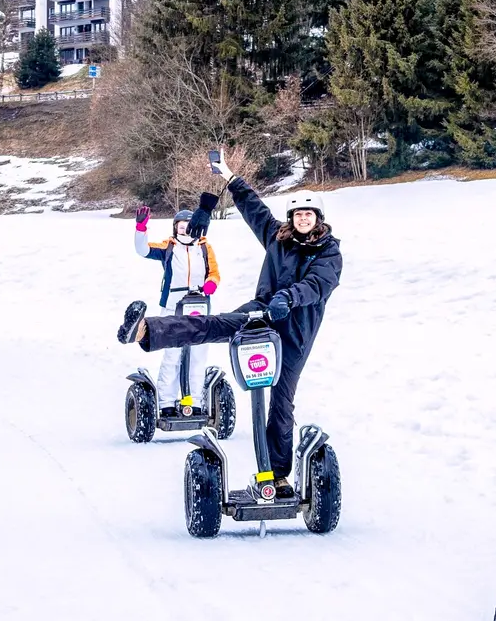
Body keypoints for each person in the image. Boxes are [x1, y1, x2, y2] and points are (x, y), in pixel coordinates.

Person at [119, 169, 342, 499]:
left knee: (281, 402)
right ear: (291, 217)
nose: (303, 219)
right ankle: (147, 330)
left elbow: (318, 284)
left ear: (318, 218)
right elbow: (255, 209)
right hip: (262, 312)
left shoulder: (328, 251)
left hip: (295, 330)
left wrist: (289, 297)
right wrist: (228, 176)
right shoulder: (277, 237)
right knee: (214, 324)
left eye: (308, 214)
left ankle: (277, 478)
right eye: (298, 214)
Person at [133, 204, 221, 415]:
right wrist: (141, 228)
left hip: (199, 306)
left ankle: (195, 402)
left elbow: (215, 273)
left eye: (188, 226)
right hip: (173, 307)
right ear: (175, 229)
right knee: (172, 355)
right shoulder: (168, 247)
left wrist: (211, 284)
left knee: (197, 355)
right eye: (180, 227)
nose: (184, 230)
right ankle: (167, 403)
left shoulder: (204, 247)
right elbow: (142, 250)